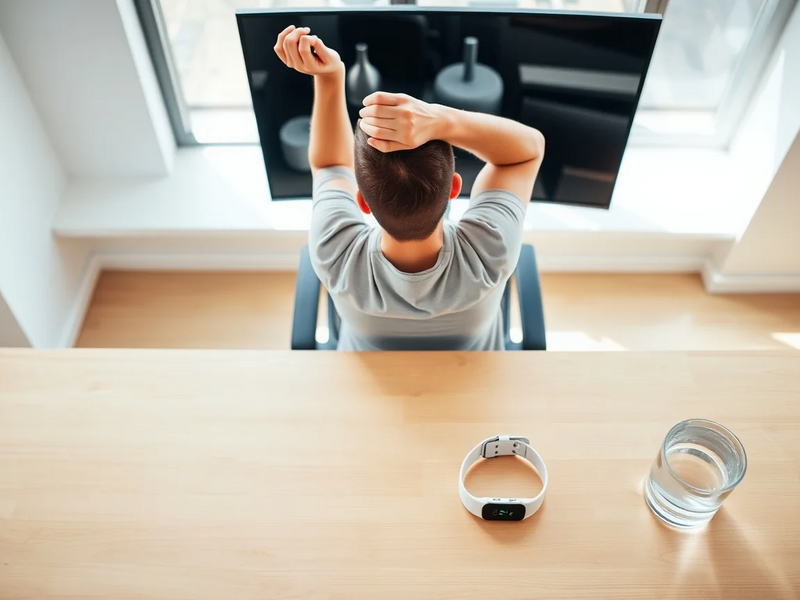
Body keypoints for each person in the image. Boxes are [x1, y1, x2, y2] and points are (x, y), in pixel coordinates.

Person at [274, 25, 545, 351]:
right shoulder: (490, 250)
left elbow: (329, 165)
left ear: (362, 201)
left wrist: (331, 76)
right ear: (453, 188)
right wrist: (442, 120)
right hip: (470, 389)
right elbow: (527, 150)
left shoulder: (335, 252)